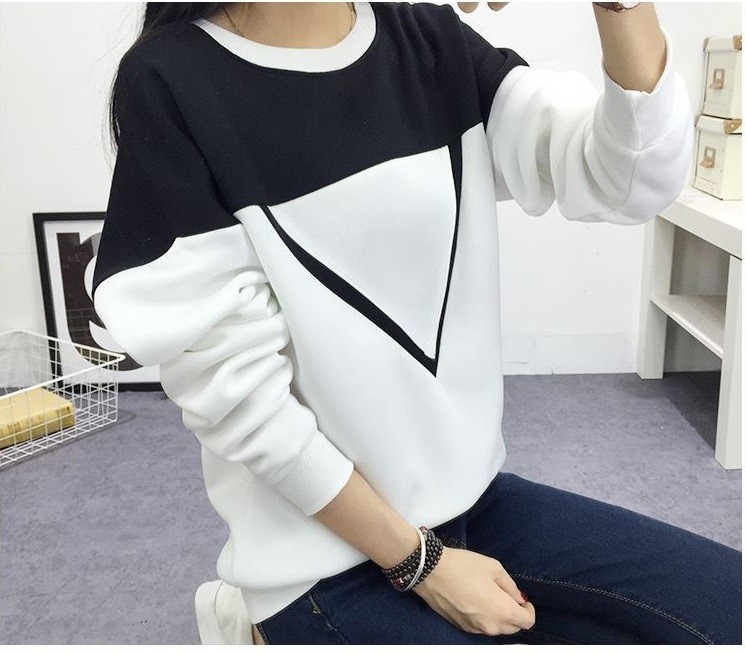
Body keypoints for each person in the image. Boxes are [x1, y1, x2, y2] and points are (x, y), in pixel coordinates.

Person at [91, 1, 741, 645]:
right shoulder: (173, 80)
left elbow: (632, 177)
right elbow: (240, 401)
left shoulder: (429, 41)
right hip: (316, 563)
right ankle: (255, 625)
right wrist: (421, 564)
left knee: (727, 606)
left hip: (475, 508)